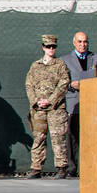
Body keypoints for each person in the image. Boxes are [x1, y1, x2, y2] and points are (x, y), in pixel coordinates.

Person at [25, 34, 71, 179]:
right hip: (38, 109)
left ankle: (61, 168)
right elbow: (29, 85)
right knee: (38, 137)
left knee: (58, 138)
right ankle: (36, 168)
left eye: (53, 46)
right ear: (43, 47)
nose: (51, 49)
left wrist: (50, 100)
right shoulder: (35, 66)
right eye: (48, 46)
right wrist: (36, 101)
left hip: (56, 109)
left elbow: (63, 85)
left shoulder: (60, 65)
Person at [63, 31, 97, 176]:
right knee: (73, 137)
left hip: (92, 103)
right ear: (74, 43)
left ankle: (89, 168)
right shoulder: (65, 60)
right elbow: (61, 83)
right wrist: (72, 85)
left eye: (85, 42)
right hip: (74, 103)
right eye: (79, 42)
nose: (82, 44)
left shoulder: (96, 58)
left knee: (91, 137)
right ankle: (72, 168)